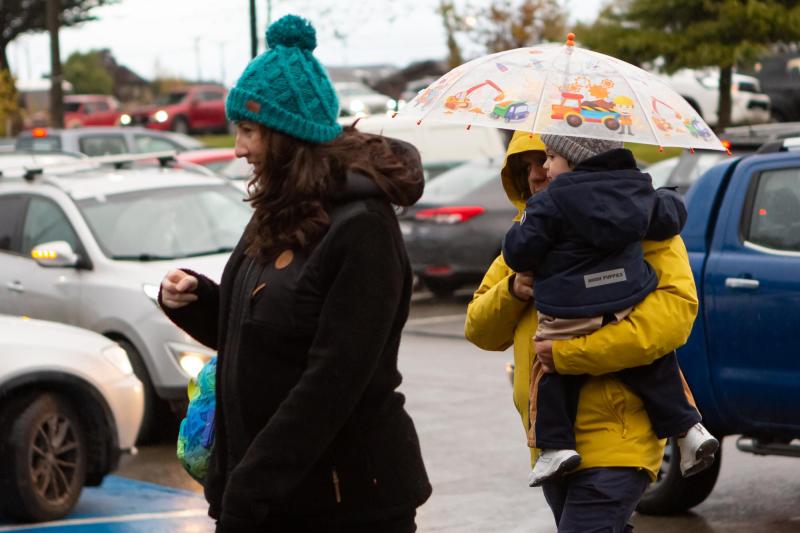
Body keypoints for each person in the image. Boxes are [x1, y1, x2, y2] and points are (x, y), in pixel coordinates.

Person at [159, 14, 431, 532]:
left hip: (344, 502)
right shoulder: (276, 213)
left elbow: (332, 382)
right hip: (271, 496)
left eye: (248, 130)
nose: (237, 148)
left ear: (287, 137)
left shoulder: (362, 227)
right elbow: (259, 335)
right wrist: (198, 299)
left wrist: (249, 489)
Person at [465, 131, 702, 531]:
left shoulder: (634, 221)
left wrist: (568, 356)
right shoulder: (528, 234)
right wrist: (513, 291)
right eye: (525, 167)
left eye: (545, 160)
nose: (537, 174)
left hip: (618, 441)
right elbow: (480, 330)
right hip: (553, 445)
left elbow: (673, 317)